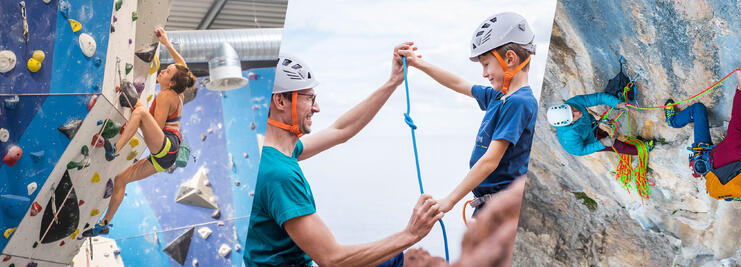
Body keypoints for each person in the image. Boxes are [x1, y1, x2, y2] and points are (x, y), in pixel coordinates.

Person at [243, 55, 443, 267]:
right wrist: (410, 235)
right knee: (391, 259)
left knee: (390, 258)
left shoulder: (272, 153)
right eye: (309, 98)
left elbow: (341, 130)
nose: (316, 107)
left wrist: (393, 81)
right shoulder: (278, 173)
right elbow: (332, 259)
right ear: (280, 101)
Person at [395, 12, 537, 215]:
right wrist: (418, 63)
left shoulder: (519, 103)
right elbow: (459, 83)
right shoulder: (498, 97)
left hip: (502, 210)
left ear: (510, 58)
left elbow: (490, 161)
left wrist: (450, 200)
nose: (484, 73)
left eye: (486, 64)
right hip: (489, 205)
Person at [86, 27, 196, 236]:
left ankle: (114, 150)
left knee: (142, 113)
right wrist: (166, 42)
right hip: (165, 157)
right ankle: (104, 224)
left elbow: (154, 126)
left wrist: (135, 106)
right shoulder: (178, 90)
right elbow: (182, 64)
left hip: (168, 146)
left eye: (167, 72)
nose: (163, 70)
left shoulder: (166, 97)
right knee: (120, 180)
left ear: (171, 83)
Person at [664, 67, 741, 200]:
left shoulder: (735, 143)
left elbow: (738, 115)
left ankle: (673, 121)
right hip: (713, 174)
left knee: (698, 109)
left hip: (703, 156)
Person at [547, 92, 654, 156]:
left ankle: (634, 143)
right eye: (573, 116)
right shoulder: (568, 136)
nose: (578, 112)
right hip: (590, 141)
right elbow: (580, 150)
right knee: (616, 145)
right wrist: (601, 144)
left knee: (607, 137)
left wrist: (617, 103)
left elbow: (598, 97)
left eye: (572, 109)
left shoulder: (573, 102)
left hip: (592, 127)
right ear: (568, 123)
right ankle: (641, 150)